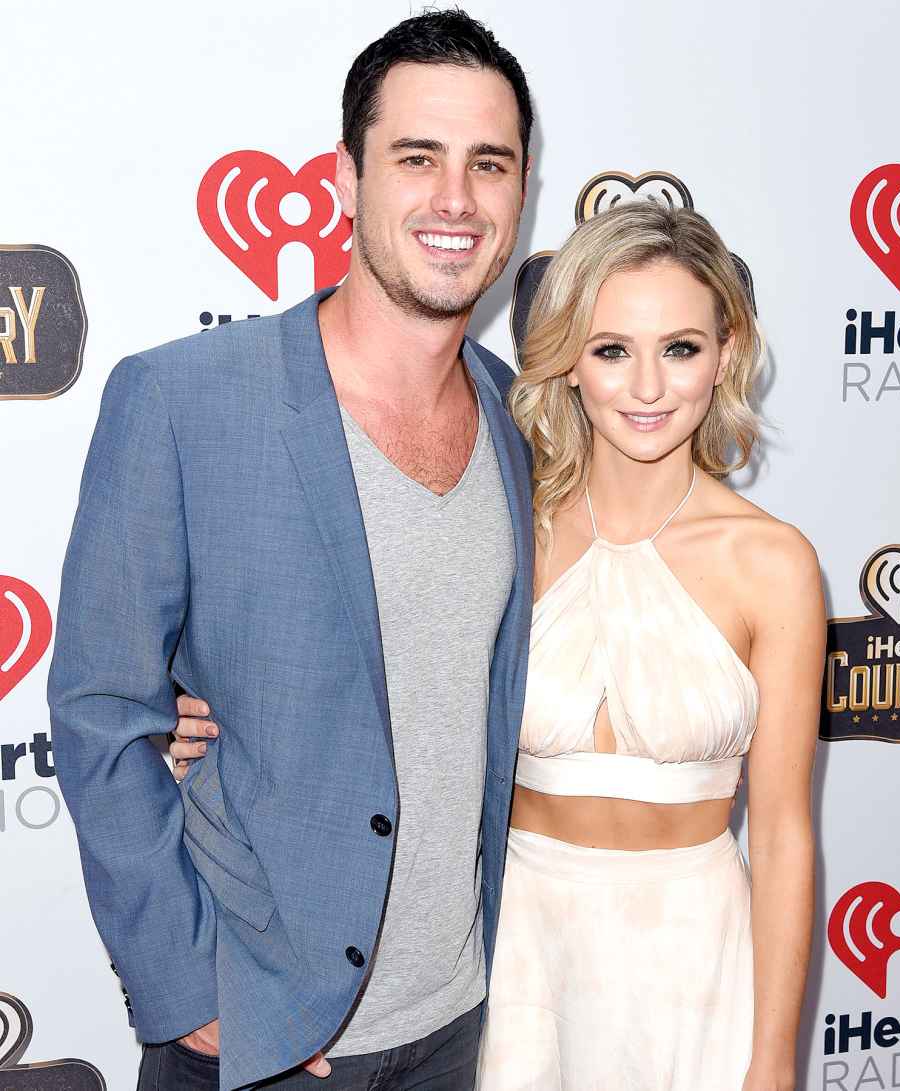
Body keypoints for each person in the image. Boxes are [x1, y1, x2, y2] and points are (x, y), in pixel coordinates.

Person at [175, 201, 825, 1090]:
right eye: (610, 350)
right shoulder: (507, 525)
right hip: (518, 953)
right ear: (567, 363)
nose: (646, 387)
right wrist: (202, 717)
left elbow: (785, 831)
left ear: (726, 356)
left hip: (696, 958)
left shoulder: (773, 562)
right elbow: (368, 668)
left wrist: (774, 1057)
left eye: (680, 347)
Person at [48, 11, 536, 1091]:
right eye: (417, 157)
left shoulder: (519, 420)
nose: (454, 199)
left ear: (519, 193)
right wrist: (191, 992)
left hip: (459, 1020)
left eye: (487, 165)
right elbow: (96, 709)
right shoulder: (183, 400)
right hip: (262, 1038)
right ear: (345, 178)